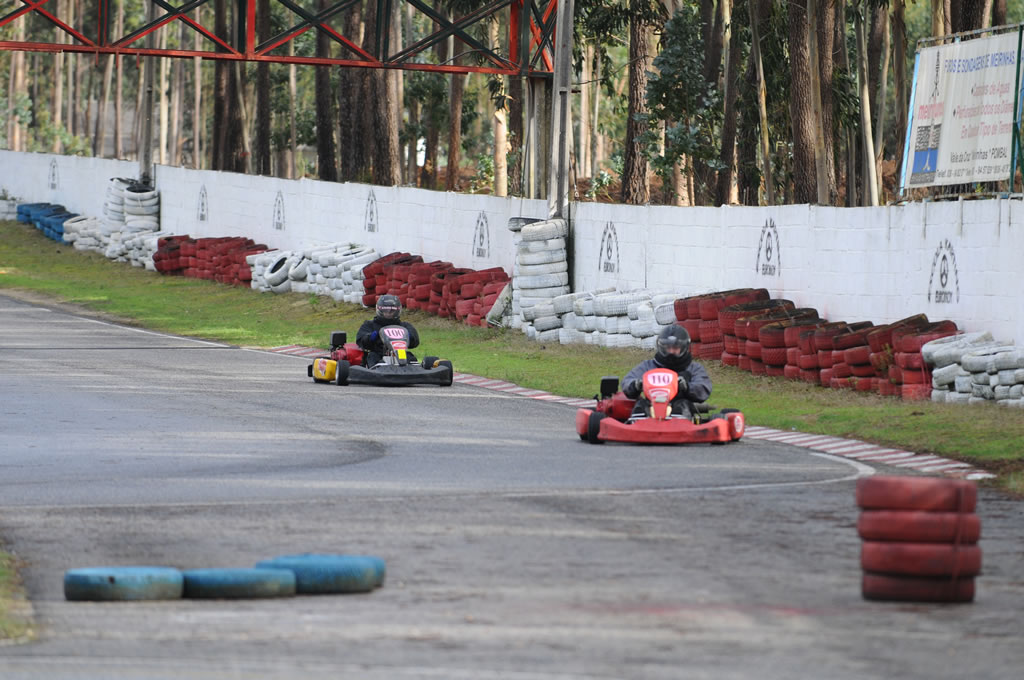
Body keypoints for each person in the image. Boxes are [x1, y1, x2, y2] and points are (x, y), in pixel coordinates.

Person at [621, 324, 711, 420]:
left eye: (675, 348)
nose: (671, 352)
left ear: (684, 348)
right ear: (661, 347)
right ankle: (637, 424)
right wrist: (636, 385)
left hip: (681, 405)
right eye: (668, 348)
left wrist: (687, 387)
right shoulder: (648, 366)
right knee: (640, 405)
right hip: (651, 406)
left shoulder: (693, 368)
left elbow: (703, 387)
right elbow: (627, 381)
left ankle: (679, 424)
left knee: (682, 406)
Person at [356, 294, 420, 366]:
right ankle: (378, 368)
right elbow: (360, 341)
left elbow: (415, 341)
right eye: (385, 311)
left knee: (410, 357)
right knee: (372, 357)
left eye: (392, 311)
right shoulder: (370, 325)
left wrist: (409, 336)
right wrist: (371, 337)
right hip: (378, 353)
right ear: (380, 310)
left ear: (397, 311)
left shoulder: (404, 326)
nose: (388, 313)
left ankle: (411, 369)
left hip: (400, 353)